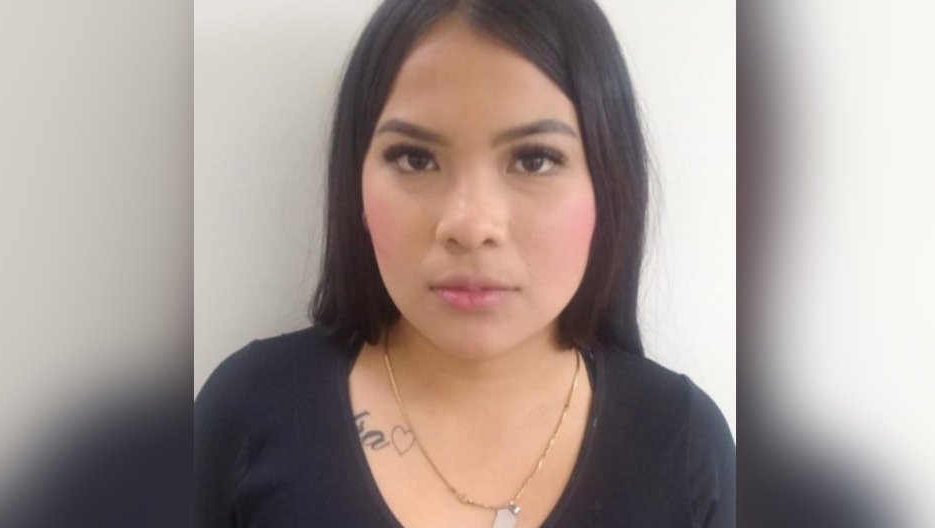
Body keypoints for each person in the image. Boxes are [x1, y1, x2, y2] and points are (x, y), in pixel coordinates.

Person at [194, 1, 735, 527]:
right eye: (415, 158)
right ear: (355, 181)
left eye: (534, 159)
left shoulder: (682, 445)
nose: (471, 225)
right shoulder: (251, 410)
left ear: (609, 184)